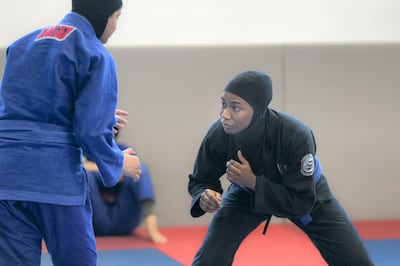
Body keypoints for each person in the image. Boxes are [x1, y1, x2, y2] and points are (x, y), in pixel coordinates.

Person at [0, 1, 141, 265]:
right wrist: (120, 162)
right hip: (53, 178)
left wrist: (101, 113)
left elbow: (23, 106)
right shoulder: (94, 53)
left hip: (6, 175)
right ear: (104, 17)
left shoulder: (22, 44)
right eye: (116, 18)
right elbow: (91, 131)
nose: (114, 27)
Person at [188, 70, 374, 265]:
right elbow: (201, 179)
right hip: (246, 194)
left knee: (356, 261)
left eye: (235, 108)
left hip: (305, 195)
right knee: (210, 257)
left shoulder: (295, 135)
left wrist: (253, 181)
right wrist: (204, 195)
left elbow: (301, 201)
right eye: (223, 104)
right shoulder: (219, 134)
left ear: (258, 110)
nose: (225, 114)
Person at [84, 136, 168, 244]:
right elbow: (80, 166)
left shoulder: (123, 149)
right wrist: (116, 168)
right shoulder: (83, 152)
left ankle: (152, 229)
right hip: (96, 220)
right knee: (83, 173)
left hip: (124, 218)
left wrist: (98, 169)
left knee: (141, 169)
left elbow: (132, 171)